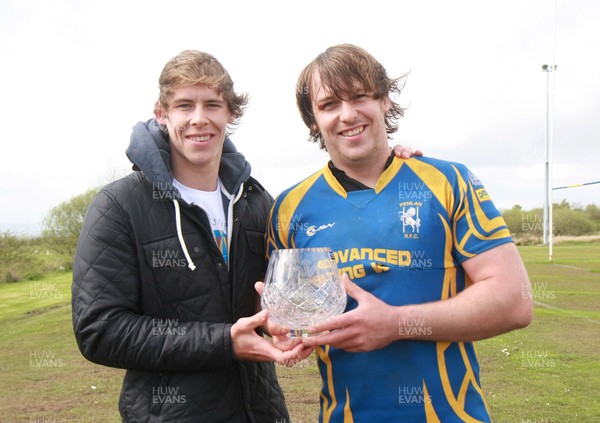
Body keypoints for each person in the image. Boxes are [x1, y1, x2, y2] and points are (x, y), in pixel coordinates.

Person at [72, 49, 417, 422]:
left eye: (213, 105)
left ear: (230, 114)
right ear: (162, 114)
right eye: (185, 106)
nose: (199, 119)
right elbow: (100, 329)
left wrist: (390, 166)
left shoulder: (254, 201)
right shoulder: (120, 205)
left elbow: (278, 291)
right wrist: (224, 343)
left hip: (262, 413)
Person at [265, 44, 533, 422]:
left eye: (360, 97)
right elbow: (286, 317)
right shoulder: (289, 208)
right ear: (312, 120)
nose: (348, 114)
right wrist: (283, 330)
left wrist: (397, 324)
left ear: (385, 101)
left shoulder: (448, 181)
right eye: (329, 105)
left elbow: (514, 301)